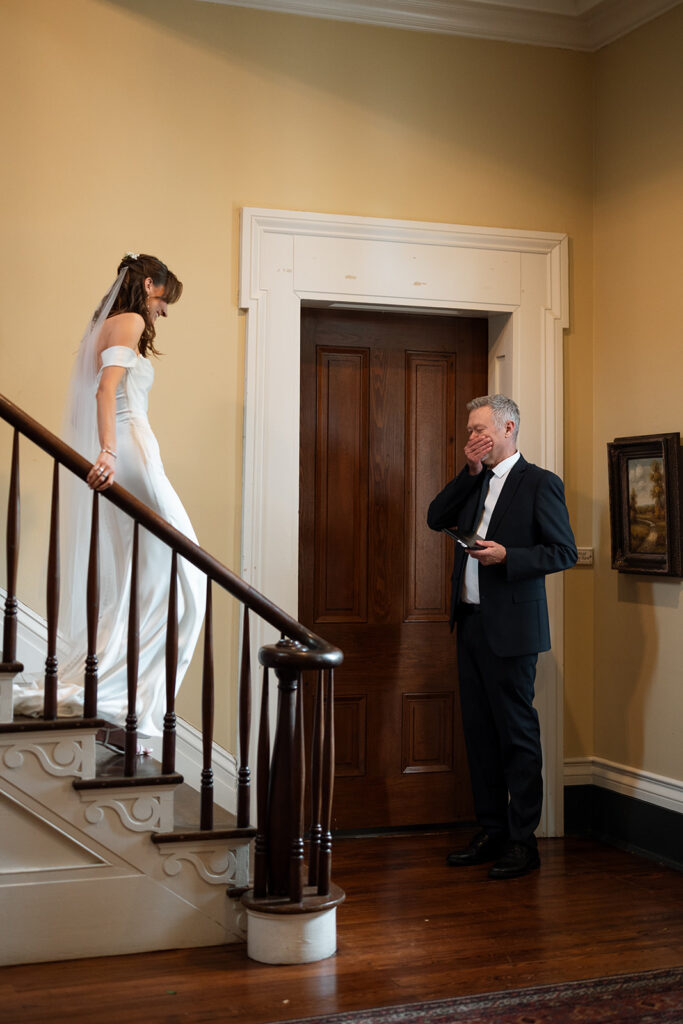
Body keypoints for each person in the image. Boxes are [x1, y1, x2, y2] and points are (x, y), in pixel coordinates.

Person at [14, 254, 204, 745]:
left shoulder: (110, 323)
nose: (163, 313)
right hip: (131, 447)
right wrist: (108, 452)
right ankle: (126, 699)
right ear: (147, 285)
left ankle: (118, 697)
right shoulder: (131, 319)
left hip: (132, 448)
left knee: (146, 576)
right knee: (186, 574)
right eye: (164, 300)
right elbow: (106, 389)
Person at [427, 394, 576, 879]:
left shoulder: (539, 484)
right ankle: (491, 831)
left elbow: (563, 553)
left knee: (517, 736)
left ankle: (522, 840)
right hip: (469, 625)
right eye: (470, 430)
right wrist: (468, 472)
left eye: (479, 430)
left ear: (508, 428)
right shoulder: (475, 483)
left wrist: (508, 556)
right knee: (479, 734)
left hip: (513, 632)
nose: (472, 438)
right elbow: (435, 516)